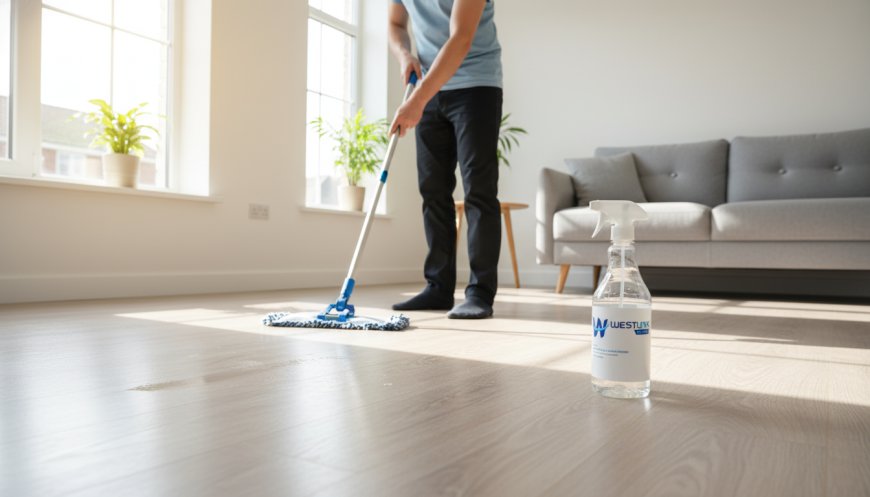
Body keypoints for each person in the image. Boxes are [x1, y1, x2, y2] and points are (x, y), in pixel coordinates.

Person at [388, 0, 503, 319]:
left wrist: (417, 99)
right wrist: (405, 55)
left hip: (476, 85)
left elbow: (461, 37)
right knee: (433, 190)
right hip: (428, 88)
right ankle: (438, 288)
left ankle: (480, 293)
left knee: (479, 190)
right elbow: (395, 24)